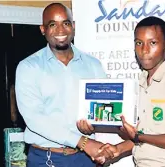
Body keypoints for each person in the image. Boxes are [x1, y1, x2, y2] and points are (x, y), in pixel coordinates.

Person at [78, 16, 165, 167]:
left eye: (152, 43)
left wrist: (139, 136)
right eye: (139, 43)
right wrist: (118, 149)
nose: (145, 50)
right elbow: (146, 136)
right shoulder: (141, 85)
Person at [15, 3, 114, 167]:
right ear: (43, 29)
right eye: (52, 24)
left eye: (66, 23)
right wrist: (82, 141)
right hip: (45, 158)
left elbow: (103, 108)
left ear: (73, 26)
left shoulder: (93, 65)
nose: (60, 30)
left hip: (85, 158)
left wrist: (94, 126)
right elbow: (35, 119)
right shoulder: (28, 67)